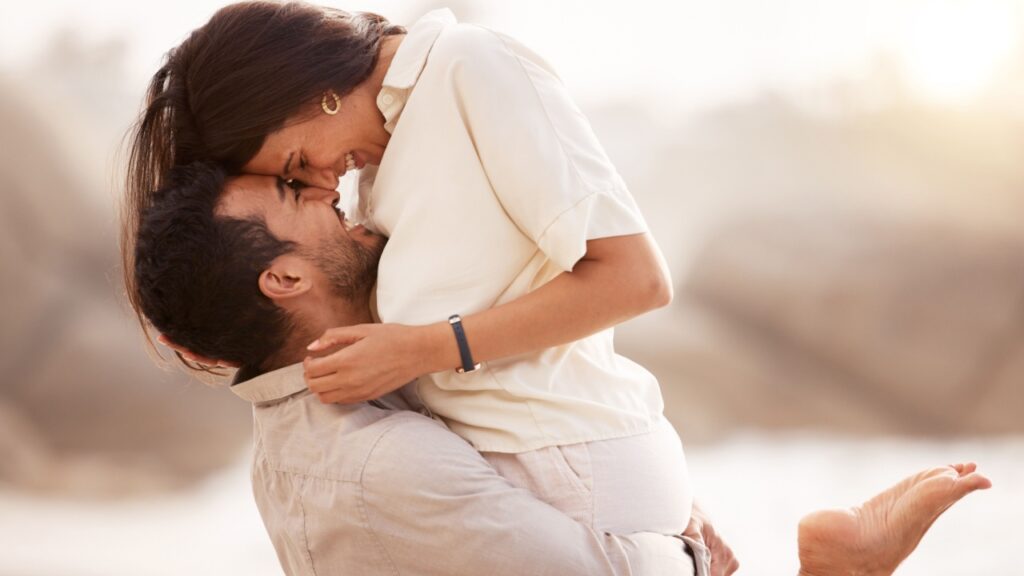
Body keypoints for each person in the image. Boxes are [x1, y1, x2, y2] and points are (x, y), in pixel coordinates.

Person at [129, 162, 990, 576]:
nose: (334, 193)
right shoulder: (374, 462)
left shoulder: (307, 428)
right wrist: (686, 541)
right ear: (284, 280)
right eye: (299, 198)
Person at [125, 0, 692, 544]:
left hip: (563, 463)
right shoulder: (384, 146)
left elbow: (634, 279)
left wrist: (426, 349)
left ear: (309, 92)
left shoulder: (470, 67)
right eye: (298, 184)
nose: (324, 186)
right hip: (509, 476)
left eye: (298, 166)